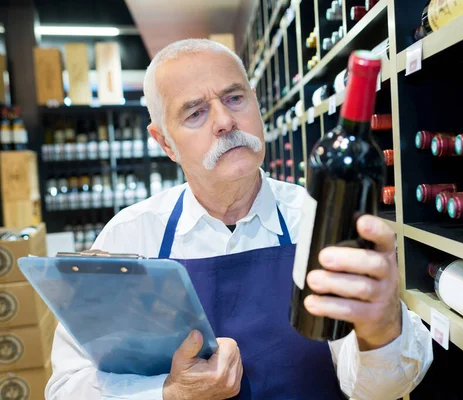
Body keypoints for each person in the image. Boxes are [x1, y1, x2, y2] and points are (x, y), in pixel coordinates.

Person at [45, 38, 433, 400]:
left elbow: (379, 388)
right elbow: (67, 386)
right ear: (165, 143)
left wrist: (381, 330)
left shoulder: (315, 220)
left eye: (234, 98)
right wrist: (167, 391)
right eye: (195, 112)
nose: (225, 121)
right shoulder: (130, 238)